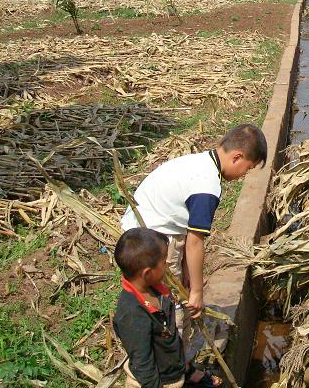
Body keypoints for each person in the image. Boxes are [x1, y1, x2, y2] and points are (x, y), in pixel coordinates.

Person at [121, 125, 267, 370]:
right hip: (152, 243)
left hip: (138, 232)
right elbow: (195, 241)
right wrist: (198, 292)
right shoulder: (207, 187)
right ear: (237, 157)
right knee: (173, 307)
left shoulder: (199, 162)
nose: (244, 174)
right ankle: (174, 368)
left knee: (154, 301)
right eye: (248, 168)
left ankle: (172, 359)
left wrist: (188, 271)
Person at [113, 228, 223, 388]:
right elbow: (143, 364)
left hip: (174, 370)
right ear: (147, 273)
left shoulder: (157, 290)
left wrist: (187, 369)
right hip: (160, 382)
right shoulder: (132, 314)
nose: (167, 265)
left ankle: (188, 371)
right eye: (164, 262)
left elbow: (170, 338)